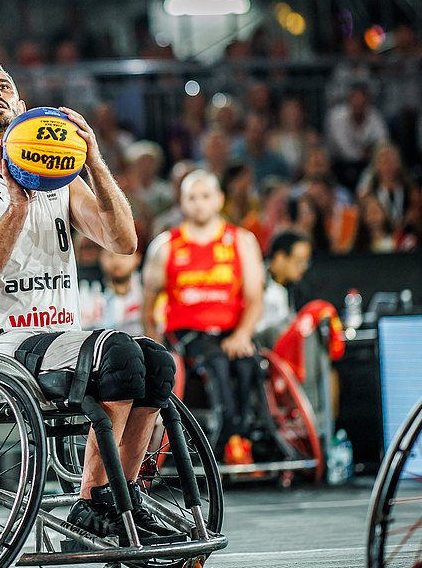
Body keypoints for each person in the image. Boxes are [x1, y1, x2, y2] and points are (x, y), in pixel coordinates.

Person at [0, 58, 179, 544]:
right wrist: (17, 208)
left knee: (157, 362)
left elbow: (124, 240)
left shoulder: (63, 181)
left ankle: (119, 498)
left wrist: (95, 162)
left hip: (61, 341)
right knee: (121, 356)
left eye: (4, 85)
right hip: (0, 349)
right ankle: (93, 505)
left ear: (23, 107)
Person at [142, 170, 265, 466]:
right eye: (192, 198)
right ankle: (222, 440)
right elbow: (148, 307)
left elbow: (255, 297)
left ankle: (250, 436)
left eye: (205, 197)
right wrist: (155, 351)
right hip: (186, 331)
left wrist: (243, 335)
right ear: (182, 203)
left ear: (219, 200)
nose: (199, 204)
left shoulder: (241, 241)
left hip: (231, 329)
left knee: (249, 362)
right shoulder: (166, 245)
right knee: (217, 361)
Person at [255, 230, 345, 415]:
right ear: (280, 258)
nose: (303, 267)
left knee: (328, 362)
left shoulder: (297, 289)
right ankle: (309, 413)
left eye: (306, 262)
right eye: (298, 261)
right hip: (263, 351)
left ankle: (325, 427)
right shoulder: (256, 281)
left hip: (292, 353)